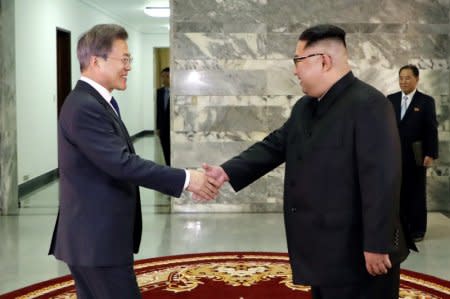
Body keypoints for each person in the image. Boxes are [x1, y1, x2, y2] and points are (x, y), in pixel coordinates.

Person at [203, 24, 412, 299]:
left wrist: (377, 244)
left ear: (324, 61)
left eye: (298, 61)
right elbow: (275, 144)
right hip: (323, 249)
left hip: (359, 254)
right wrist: (226, 172)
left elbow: (383, 179)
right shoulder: (306, 106)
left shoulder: (369, 104)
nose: (294, 70)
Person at [48, 24, 218, 299]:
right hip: (96, 240)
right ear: (95, 61)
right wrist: (188, 179)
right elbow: (123, 164)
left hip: (95, 238)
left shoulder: (95, 102)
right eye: (124, 59)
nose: (129, 67)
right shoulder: (85, 106)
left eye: (130, 60)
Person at [387, 65, 439, 243]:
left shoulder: (426, 101)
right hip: (393, 154)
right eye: (401, 78)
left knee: (416, 192)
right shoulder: (390, 99)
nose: (404, 81)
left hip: (417, 155)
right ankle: (398, 228)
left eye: (408, 78)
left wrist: (431, 153)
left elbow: (431, 129)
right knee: (396, 191)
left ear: (417, 79)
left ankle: (417, 229)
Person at [156, 67, 171, 165]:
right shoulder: (159, 92)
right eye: (162, 77)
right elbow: (158, 111)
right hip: (163, 127)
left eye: (167, 76)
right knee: (165, 148)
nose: (164, 79)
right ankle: (168, 165)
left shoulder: (178, 92)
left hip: (174, 125)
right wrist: (158, 127)